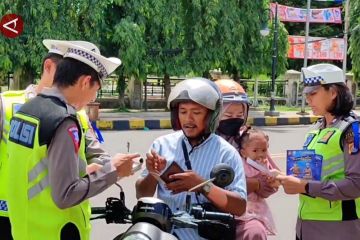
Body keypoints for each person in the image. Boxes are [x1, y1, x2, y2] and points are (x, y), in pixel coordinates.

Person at [6, 41, 140, 240]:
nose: (94, 97)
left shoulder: (26, 111)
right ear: (85, 82)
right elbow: (65, 195)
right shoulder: (63, 121)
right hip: (55, 231)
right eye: (96, 90)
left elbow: (35, 171)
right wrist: (114, 170)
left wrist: (83, 171)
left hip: (24, 230)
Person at [135, 77, 247, 240]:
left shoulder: (226, 153)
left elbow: (239, 207)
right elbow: (142, 194)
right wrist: (153, 174)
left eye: (196, 112)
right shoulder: (161, 145)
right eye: (183, 112)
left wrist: (202, 186)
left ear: (211, 116)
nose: (188, 119)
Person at [276, 63, 360, 240]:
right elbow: (314, 173)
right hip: (306, 224)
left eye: (313, 93)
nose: (308, 99)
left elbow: (356, 184)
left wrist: (305, 186)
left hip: (338, 228)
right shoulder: (317, 128)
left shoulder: (352, 130)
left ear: (333, 92)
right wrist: (286, 177)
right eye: (306, 94)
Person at [214, 79, 280, 240]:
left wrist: (269, 182)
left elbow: (268, 181)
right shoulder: (204, 140)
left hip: (246, 212)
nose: (234, 119)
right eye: (228, 115)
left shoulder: (249, 140)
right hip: (210, 209)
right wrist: (251, 183)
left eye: (239, 115)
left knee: (255, 232)